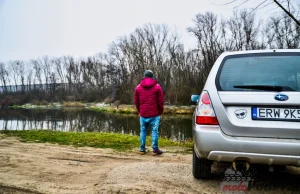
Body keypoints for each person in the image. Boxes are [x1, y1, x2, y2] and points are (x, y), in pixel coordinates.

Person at [134, 70, 164, 156]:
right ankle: (155, 149)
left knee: (143, 131)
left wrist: (140, 111)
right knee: (154, 131)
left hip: (143, 114)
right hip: (154, 114)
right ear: (152, 77)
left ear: (144, 76)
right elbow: (160, 102)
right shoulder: (157, 87)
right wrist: (160, 111)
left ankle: (142, 149)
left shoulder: (138, 88)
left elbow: (136, 102)